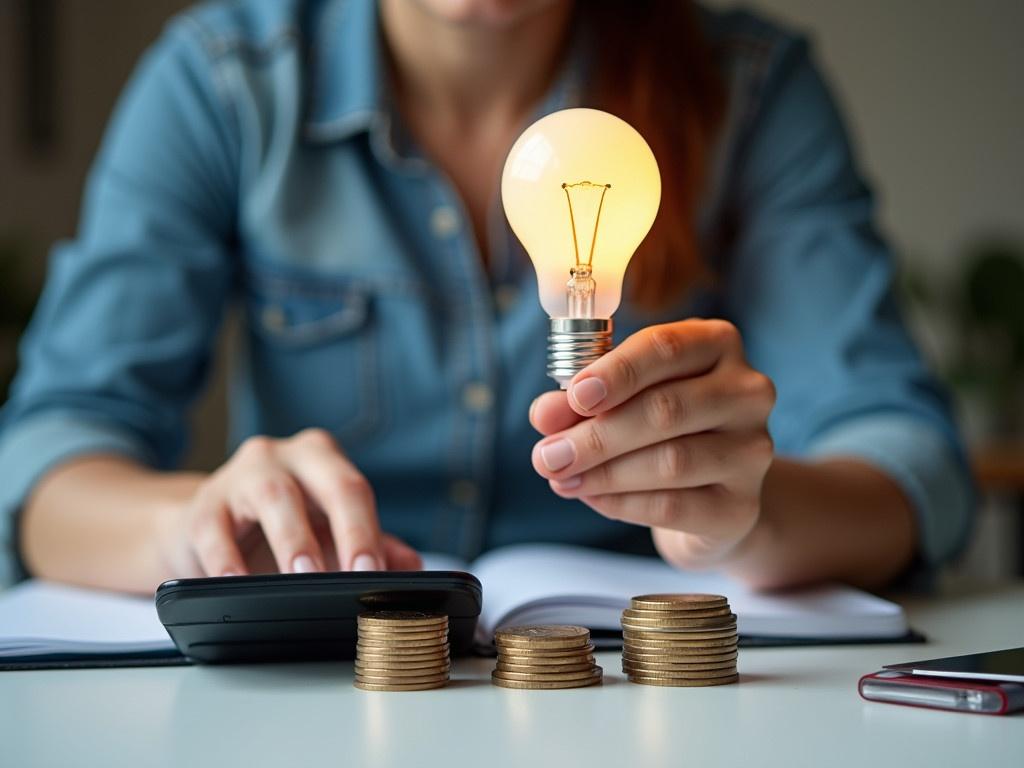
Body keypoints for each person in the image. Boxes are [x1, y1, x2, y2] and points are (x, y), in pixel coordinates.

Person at [0, 0, 973, 595]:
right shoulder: (224, 85)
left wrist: (746, 516)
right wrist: (192, 524)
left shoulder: (750, 95)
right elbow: (47, 460)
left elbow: (907, 467)